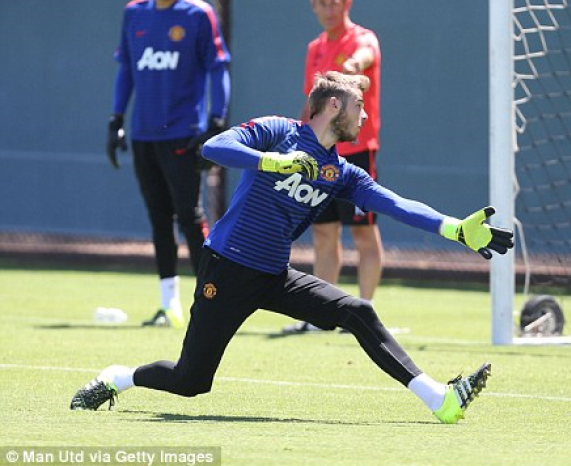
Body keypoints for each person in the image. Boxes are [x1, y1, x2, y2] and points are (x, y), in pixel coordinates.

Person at [71, 71, 513, 424]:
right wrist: (272, 161)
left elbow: (396, 204)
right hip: (226, 269)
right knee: (191, 381)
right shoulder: (278, 131)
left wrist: (455, 229)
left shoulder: (340, 172)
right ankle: (117, 378)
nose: (365, 115)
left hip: (274, 276)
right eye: (360, 105)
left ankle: (439, 399)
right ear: (334, 105)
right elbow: (214, 147)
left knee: (358, 312)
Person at [106, 0, 231, 328]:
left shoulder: (198, 14)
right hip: (144, 135)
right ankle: (168, 306)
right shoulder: (134, 13)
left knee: (189, 217)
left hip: (183, 134)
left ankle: (211, 300)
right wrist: (116, 119)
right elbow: (126, 70)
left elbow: (218, 68)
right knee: (158, 218)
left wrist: (215, 122)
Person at [284, 0, 382, 334]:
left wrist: (353, 66)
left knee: (363, 234)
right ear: (313, 6)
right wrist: (299, 140)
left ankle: (365, 314)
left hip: (357, 153)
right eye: (323, 3)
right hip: (322, 155)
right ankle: (322, 315)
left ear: (347, 3)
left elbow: (365, 56)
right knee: (324, 233)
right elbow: (311, 102)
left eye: (335, 2)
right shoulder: (315, 48)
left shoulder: (363, 38)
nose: (330, 9)